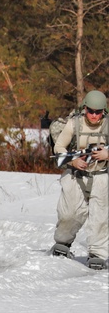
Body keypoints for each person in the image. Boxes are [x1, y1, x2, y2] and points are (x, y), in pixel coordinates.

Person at [51, 89, 109, 270]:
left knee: (100, 217)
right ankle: (62, 243)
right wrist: (73, 161)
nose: (93, 115)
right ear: (84, 108)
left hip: (101, 175)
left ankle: (98, 254)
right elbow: (59, 146)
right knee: (68, 214)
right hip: (75, 175)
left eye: (97, 112)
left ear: (103, 111)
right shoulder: (74, 124)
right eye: (90, 110)